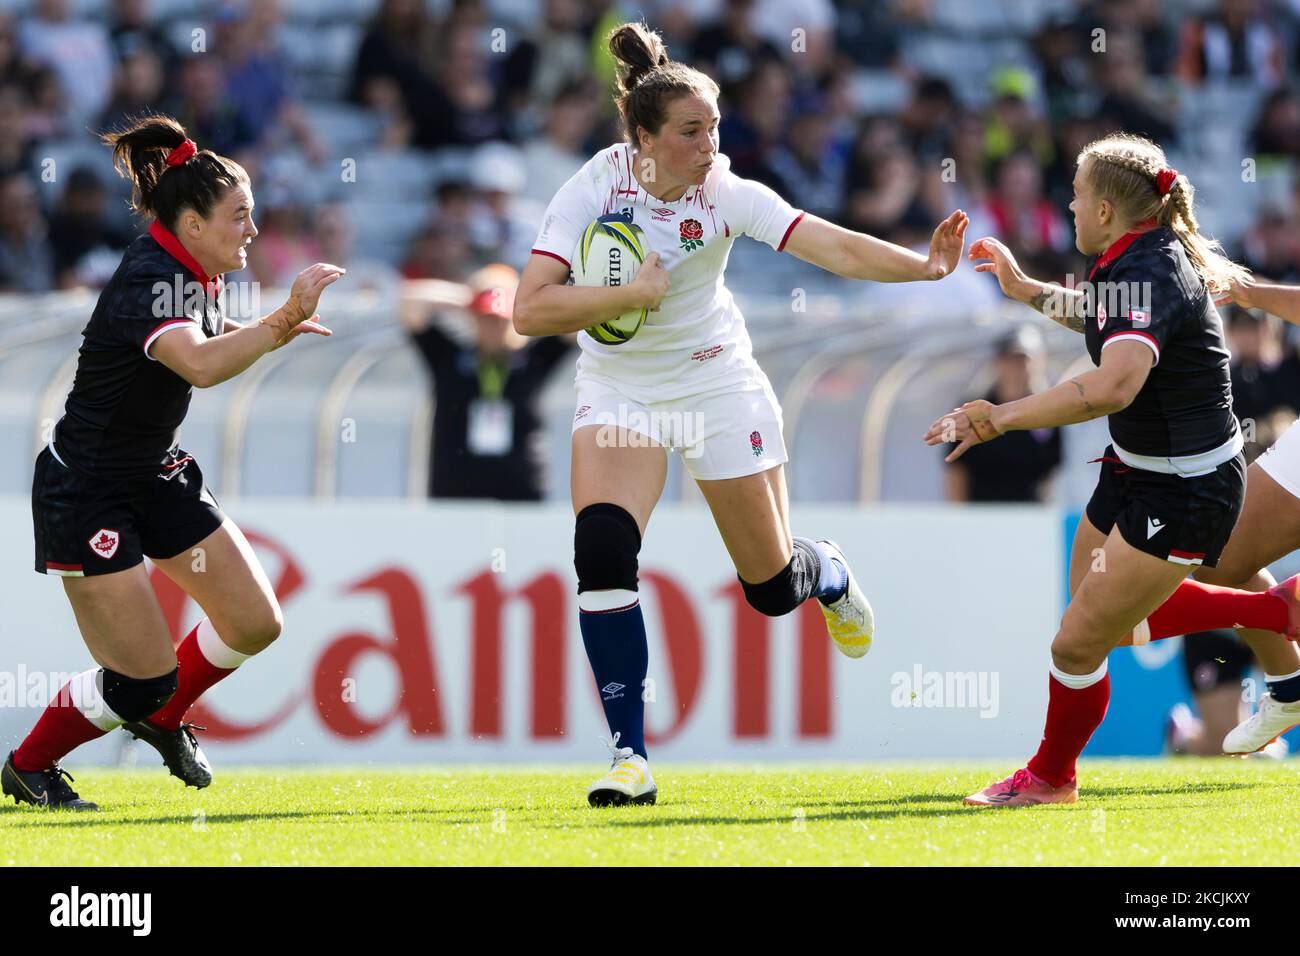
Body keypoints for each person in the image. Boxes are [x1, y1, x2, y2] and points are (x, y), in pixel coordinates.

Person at [514, 22, 968, 807]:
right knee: (601, 548)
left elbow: (827, 244)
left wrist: (922, 268)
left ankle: (823, 568)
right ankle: (630, 755)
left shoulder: (726, 192)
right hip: (621, 387)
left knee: (769, 588)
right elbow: (529, 310)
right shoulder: (594, 184)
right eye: (693, 131)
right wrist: (628, 295)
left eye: (715, 126)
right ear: (644, 138)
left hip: (715, 383)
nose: (711, 144)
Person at [2, 116, 342, 811]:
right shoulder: (156, 278)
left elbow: (199, 353)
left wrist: (270, 330)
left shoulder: (190, 268)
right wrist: (279, 322)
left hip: (154, 471)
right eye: (240, 216)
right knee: (141, 677)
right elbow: (195, 362)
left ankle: (158, 718)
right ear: (191, 224)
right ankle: (26, 766)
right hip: (87, 491)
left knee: (254, 622)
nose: (253, 230)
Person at [927, 132, 1255, 807]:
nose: (1067, 207)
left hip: (1187, 488)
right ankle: (1273, 610)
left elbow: (1113, 387)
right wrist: (1026, 291)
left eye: (1075, 196)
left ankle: (1051, 779)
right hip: (1136, 470)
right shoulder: (1127, 259)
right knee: (1101, 624)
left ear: (1106, 209)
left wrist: (1000, 414)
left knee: (1076, 647)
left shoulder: (1150, 269)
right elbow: (1105, 320)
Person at [403, 264, 573, 501]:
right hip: (454, 495)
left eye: (500, 319)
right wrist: (467, 298)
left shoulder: (534, 360)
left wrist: (528, 303)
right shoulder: (448, 358)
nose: (493, 327)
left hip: (521, 494)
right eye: (485, 318)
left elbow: (577, 325)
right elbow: (410, 305)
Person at [944, 325, 1062, 504]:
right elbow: (955, 468)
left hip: (1029, 516)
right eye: (1010, 360)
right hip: (980, 514)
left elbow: (1051, 473)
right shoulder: (970, 409)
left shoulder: (1048, 414)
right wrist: (959, 517)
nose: (1017, 368)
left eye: (1024, 360)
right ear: (997, 363)